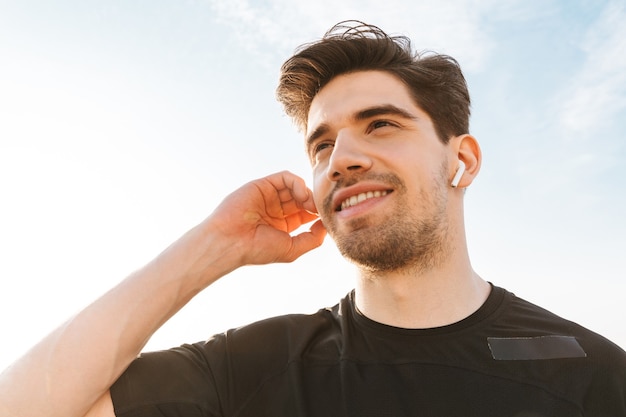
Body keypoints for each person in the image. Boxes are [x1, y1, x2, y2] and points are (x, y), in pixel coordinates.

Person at [1, 20, 625, 417]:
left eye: (381, 124)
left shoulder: (590, 372)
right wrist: (213, 245)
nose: (342, 159)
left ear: (461, 158)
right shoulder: (253, 367)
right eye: (321, 145)